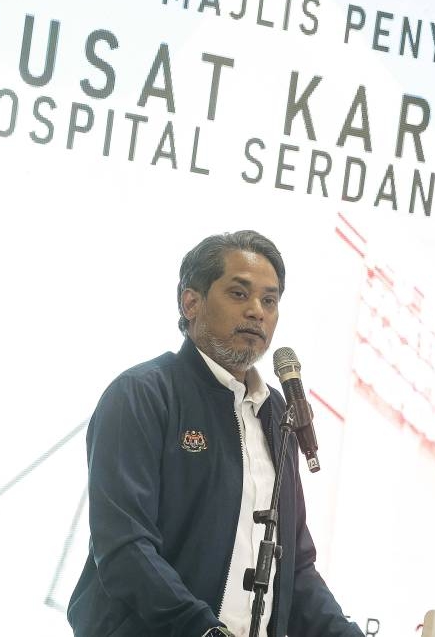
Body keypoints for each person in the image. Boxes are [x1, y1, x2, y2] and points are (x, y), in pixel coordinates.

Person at [68, 230, 363, 637]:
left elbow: (294, 571)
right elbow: (124, 546)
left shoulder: (279, 414)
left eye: (269, 300)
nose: (257, 312)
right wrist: (203, 630)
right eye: (239, 294)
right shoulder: (144, 393)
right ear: (191, 302)